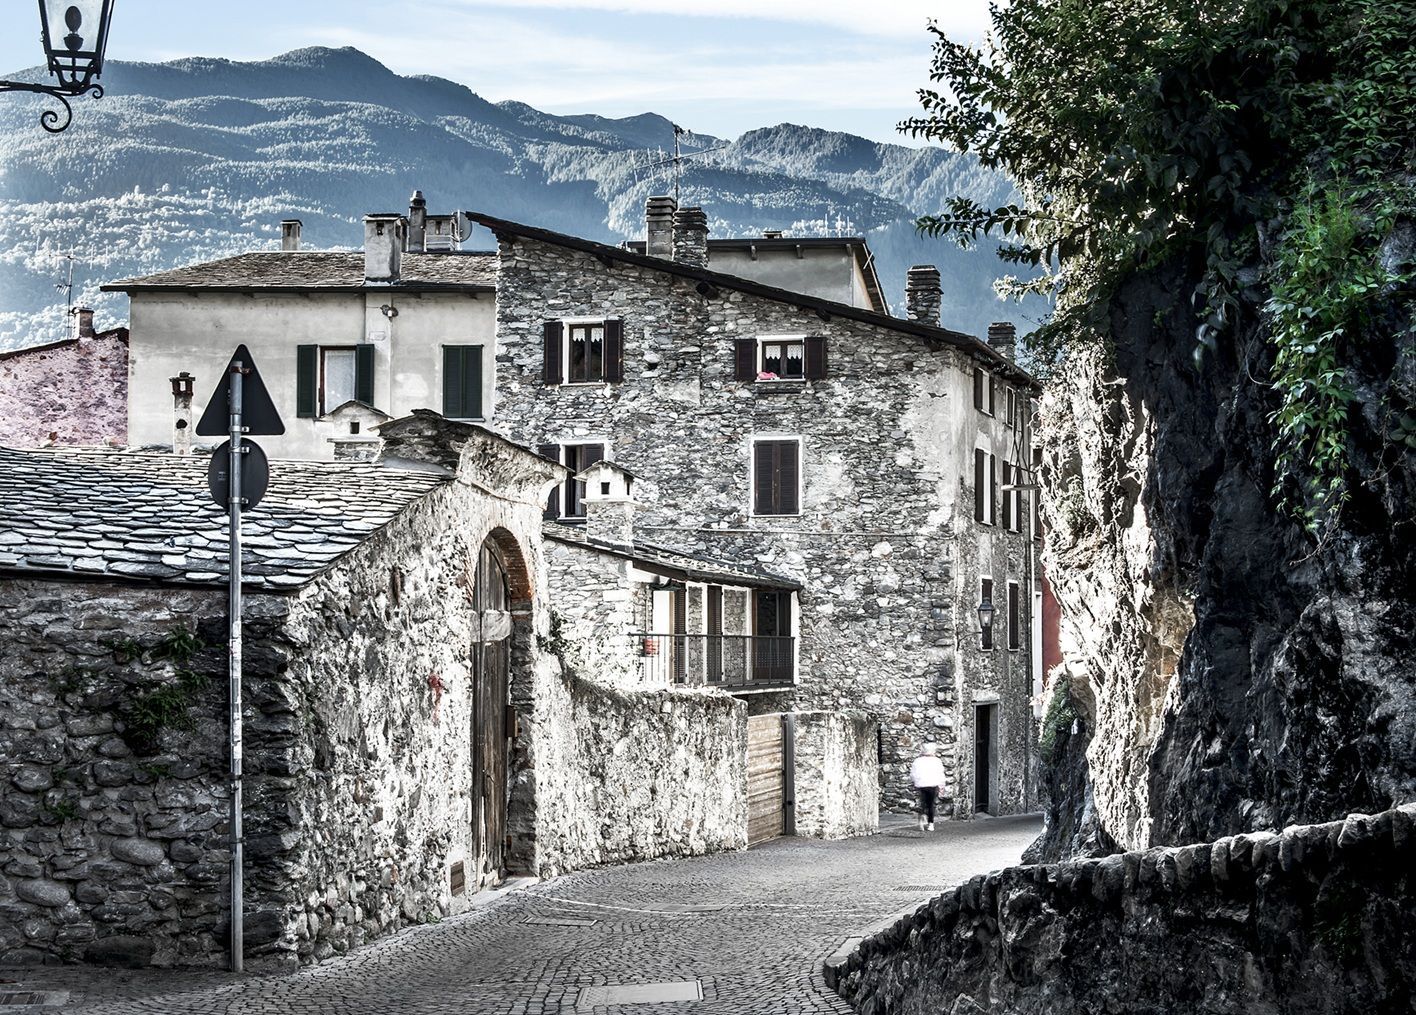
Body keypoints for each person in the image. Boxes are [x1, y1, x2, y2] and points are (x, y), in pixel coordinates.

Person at [910, 742, 946, 831]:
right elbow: (940, 774)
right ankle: (931, 824)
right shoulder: (937, 761)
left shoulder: (917, 761)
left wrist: (914, 782)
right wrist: (941, 785)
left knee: (923, 802)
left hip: (921, 784)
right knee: (931, 804)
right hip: (933, 784)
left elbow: (913, 774)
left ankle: (922, 816)